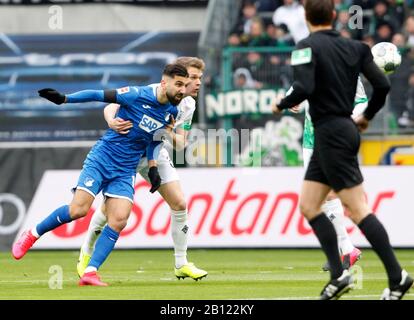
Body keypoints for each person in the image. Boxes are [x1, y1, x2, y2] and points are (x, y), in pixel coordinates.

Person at [272, 0, 413, 300]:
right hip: (337, 132)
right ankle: (340, 274)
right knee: (309, 206)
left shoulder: (304, 47)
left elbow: (304, 87)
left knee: (357, 209)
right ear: (334, 16)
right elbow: (382, 87)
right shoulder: (358, 48)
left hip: (330, 133)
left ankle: (397, 276)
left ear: (306, 16)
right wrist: (366, 117)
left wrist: (282, 104)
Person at [12, 63, 189, 287]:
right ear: (165, 83)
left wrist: (153, 166)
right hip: (102, 159)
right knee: (78, 210)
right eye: (179, 84)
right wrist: (65, 99)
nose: (182, 90)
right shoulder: (137, 94)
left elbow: (153, 138)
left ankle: (91, 272)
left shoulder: (172, 111)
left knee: (119, 219)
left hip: (126, 169)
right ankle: (33, 233)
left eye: (185, 85)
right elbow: (98, 95)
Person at [77, 57, 208, 281]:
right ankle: (86, 254)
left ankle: (181, 263)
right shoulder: (152, 91)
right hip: (126, 154)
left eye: (199, 79)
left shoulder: (189, 105)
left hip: (155, 153)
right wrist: (111, 122)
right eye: (193, 78)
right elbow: (111, 106)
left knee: (179, 203)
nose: (197, 83)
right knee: (108, 211)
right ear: (179, 78)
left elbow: (181, 142)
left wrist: (167, 132)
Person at [298, 78, 367, 272]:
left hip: (331, 138)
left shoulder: (347, 66)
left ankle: (346, 249)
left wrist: (345, 120)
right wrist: (293, 100)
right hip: (310, 140)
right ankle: (345, 249)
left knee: (327, 195)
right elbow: (302, 87)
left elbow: (362, 102)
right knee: (322, 198)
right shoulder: (310, 62)